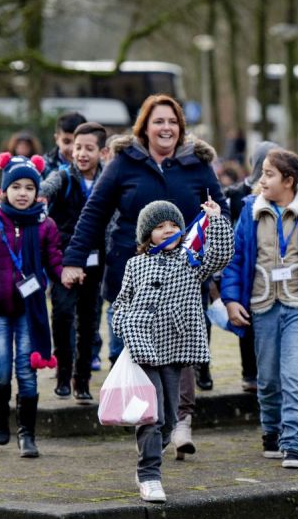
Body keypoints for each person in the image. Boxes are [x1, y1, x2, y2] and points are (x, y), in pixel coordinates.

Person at [61, 94, 230, 459]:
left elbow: (222, 214)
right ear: (145, 127)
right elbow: (94, 212)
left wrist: (216, 250)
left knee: (179, 347)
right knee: (135, 348)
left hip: (186, 273)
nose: (165, 128)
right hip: (132, 273)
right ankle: (145, 420)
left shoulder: (197, 164)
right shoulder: (124, 163)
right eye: (158, 121)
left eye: (172, 121)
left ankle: (179, 419)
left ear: (180, 127)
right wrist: (73, 259)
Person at [220, 149, 298, 469]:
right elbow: (235, 260)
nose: (261, 180)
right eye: (261, 173)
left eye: (269, 174)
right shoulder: (249, 210)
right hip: (261, 306)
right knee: (269, 378)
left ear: (289, 181)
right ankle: (271, 431)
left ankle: (292, 442)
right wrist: (231, 300)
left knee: (294, 375)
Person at [114, 199, 233, 502]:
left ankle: (150, 454)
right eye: (159, 227)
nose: (168, 231)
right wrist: (126, 327)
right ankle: (150, 474)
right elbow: (121, 303)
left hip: (175, 345)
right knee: (151, 414)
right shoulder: (135, 264)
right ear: (147, 235)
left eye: (173, 226)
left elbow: (220, 256)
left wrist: (216, 220)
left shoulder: (191, 261)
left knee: (168, 417)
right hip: (142, 344)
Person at [0, 153, 63, 458]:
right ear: (4, 190)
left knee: (28, 375)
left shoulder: (45, 225)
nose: (22, 193)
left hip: (30, 313)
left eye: (29, 188)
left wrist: (67, 274)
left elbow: (54, 261)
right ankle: (0, 413)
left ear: (37, 192)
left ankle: (27, 434)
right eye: (15, 186)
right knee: (1, 372)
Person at [41, 122, 109, 402]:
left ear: (102, 152)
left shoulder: (108, 181)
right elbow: (47, 188)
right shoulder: (63, 177)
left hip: (96, 263)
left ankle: (82, 380)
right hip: (63, 261)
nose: (81, 153)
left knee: (89, 322)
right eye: (77, 147)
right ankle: (63, 375)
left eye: (88, 149)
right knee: (63, 316)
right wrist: (38, 194)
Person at [223, 141, 279, 393]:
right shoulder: (236, 193)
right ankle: (249, 372)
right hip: (245, 260)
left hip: (271, 265)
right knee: (246, 322)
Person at [43, 111, 87, 176]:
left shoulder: (96, 167)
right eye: (67, 142)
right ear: (56, 139)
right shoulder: (44, 167)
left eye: (77, 143)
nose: (72, 148)